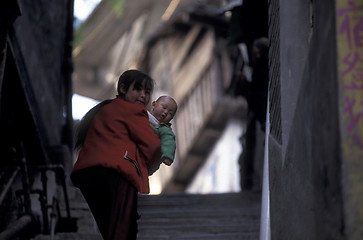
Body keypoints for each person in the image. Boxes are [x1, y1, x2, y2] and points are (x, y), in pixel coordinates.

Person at [71, 69, 162, 240]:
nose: (143, 95)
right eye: (138, 89)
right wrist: (149, 167)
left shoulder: (104, 110)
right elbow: (154, 146)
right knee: (123, 228)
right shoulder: (132, 110)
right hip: (116, 174)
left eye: (147, 92)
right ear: (122, 88)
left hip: (86, 175)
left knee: (108, 228)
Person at [148, 96, 178, 166]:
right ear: (153, 105)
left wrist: (167, 156)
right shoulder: (144, 114)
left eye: (170, 113)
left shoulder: (165, 130)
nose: (165, 112)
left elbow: (168, 142)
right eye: (164, 107)